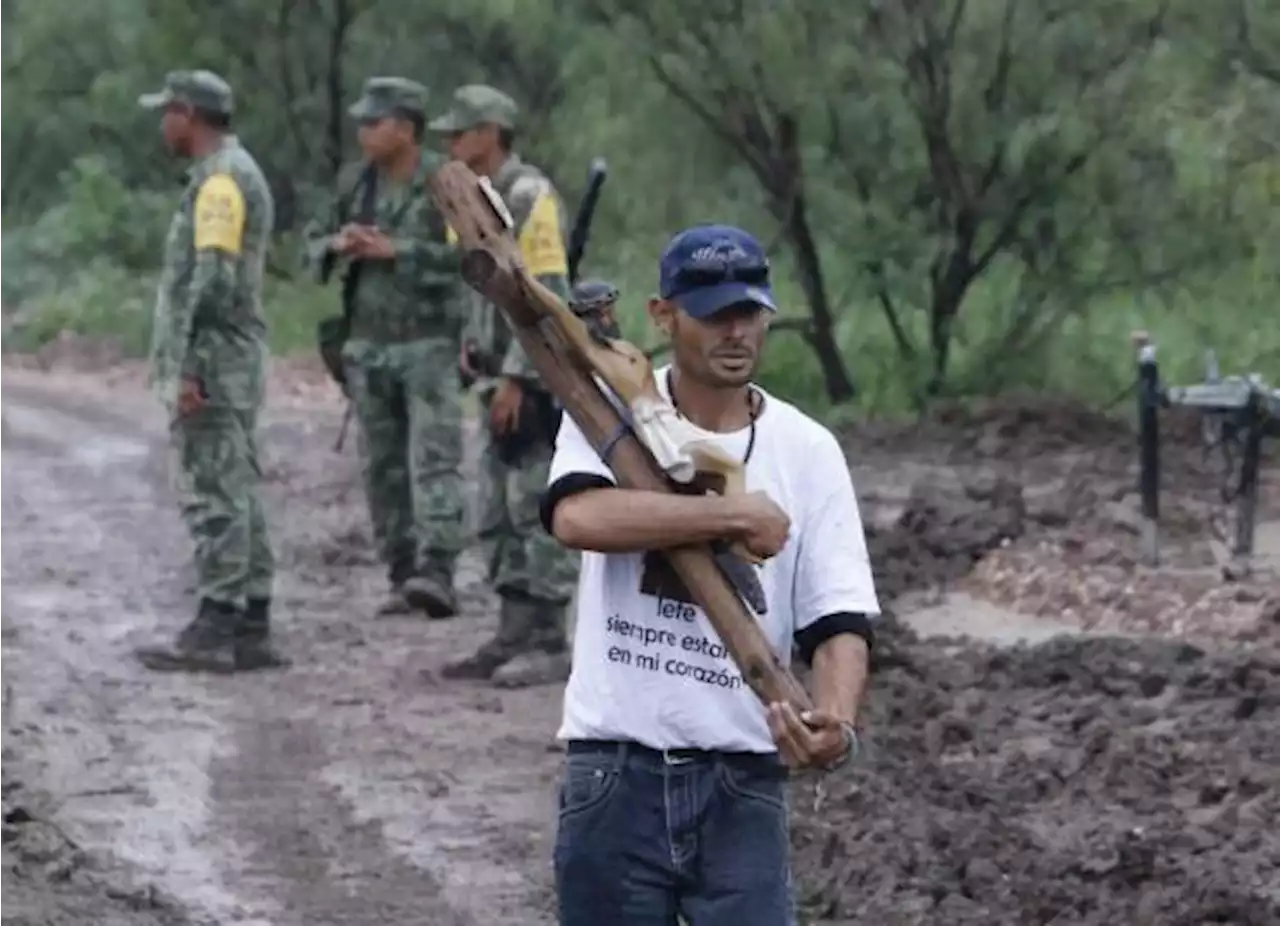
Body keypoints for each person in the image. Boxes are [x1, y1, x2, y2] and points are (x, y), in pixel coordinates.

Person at [541, 224, 878, 925]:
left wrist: (836, 723)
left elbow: (838, 618)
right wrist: (727, 519)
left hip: (743, 781)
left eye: (749, 313)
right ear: (662, 316)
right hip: (615, 773)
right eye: (714, 314)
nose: (736, 332)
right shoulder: (606, 411)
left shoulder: (809, 451)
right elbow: (578, 518)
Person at [133, 70, 285, 672]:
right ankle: (250, 621)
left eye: (166, 111)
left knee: (215, 489)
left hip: (216, 361)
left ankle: (218, 623)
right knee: (238, 486)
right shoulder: (229, 173)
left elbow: (214, 278)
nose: (162, 124)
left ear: (188, 115)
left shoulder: (221, 181)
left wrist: (190, 366)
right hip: (233, 359)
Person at [429, 84, 580, 688]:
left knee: (531, 503)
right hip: (491, 376)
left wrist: (519, 375)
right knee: (494, 508)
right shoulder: (474, 197)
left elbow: (546, 290)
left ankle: (547, 635)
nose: (451, 144)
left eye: (460, 133)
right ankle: (513, 627)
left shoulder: (529, 195)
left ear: (491, 132)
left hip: (531, 379)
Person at [303, 76, 466, 619]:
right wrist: (338, 244)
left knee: (435, 460)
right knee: (382, 468)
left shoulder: (445, 184)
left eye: (373, 122)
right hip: (368, 347)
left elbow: (474, 261)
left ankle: (438, 571)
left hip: (429, 344)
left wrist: (399, 251)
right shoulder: (357, 184)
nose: (363, 132)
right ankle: (401, 572)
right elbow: (309, 246)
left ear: (405, 127)